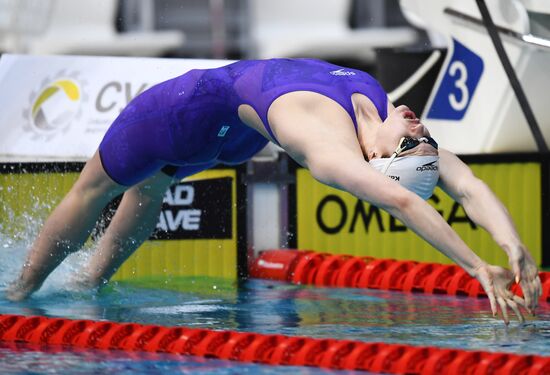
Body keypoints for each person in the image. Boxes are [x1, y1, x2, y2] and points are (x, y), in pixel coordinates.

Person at [6, 58, 541, 324]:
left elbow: (402, 199)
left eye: (415, 139)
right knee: (148, 192)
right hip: (230, 132)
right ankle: (84, 284)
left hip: (181, 114)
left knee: (94, 189)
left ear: (381, 160)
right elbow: (465, 183)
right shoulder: (379, 116)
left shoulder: (332, 152)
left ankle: (19, 295)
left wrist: (471, 267)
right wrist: (510, 245)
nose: (419, 125)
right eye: (425, 137)